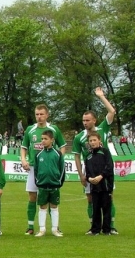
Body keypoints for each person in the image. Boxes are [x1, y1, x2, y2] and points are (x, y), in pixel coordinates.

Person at [72, 87, 117, 234]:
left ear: (94, 120)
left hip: (105, 169)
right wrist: (81, 175)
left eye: (87, 120)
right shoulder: (79, 137)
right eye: (83, 120)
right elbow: (77, 157)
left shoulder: (102, 129)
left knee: (109, 198)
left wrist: (101, 97)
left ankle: (110, 226)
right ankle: (93, 226)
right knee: (91, 199)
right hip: (90, 171)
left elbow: (112, 112)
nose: (85, 122)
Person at [20, 104, 66, 235]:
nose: (39, 117)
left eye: (41, 114)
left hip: (50, 170)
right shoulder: (30, 129)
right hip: (34, 167)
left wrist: (58, 160)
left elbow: (62, 146)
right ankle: (30, 227)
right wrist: (23, 160)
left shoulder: (54, 129)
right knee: (32, 196)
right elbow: (24, 147)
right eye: (37, 114)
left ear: (47, 115)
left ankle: (55, 227)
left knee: (51, 196)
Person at [33, 130, 65, 237]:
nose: (43, 141)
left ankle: (55, 229)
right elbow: (36, 170)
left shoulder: (58, 154)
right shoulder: (38, 155)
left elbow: (62, 169)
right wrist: (38, 181)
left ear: (52, 140)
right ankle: (42, 229)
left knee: (54, 207)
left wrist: (59, 182)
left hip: (54, 185)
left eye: (45, 139)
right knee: (42, 207)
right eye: (42, 139)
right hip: (42, 185)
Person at [84, 131, 114, 236]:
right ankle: (95, 230)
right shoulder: (88, 156)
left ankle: (106, 230)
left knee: (106, 208)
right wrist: (90, 179)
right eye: (90, 141)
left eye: (94, 140)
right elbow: (87, 173)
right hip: (94, 187)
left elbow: (109, 167)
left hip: (105, 185)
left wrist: (101, 176)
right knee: (95, 208)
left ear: (99, 140)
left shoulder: (105, 152)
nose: (92, 142)